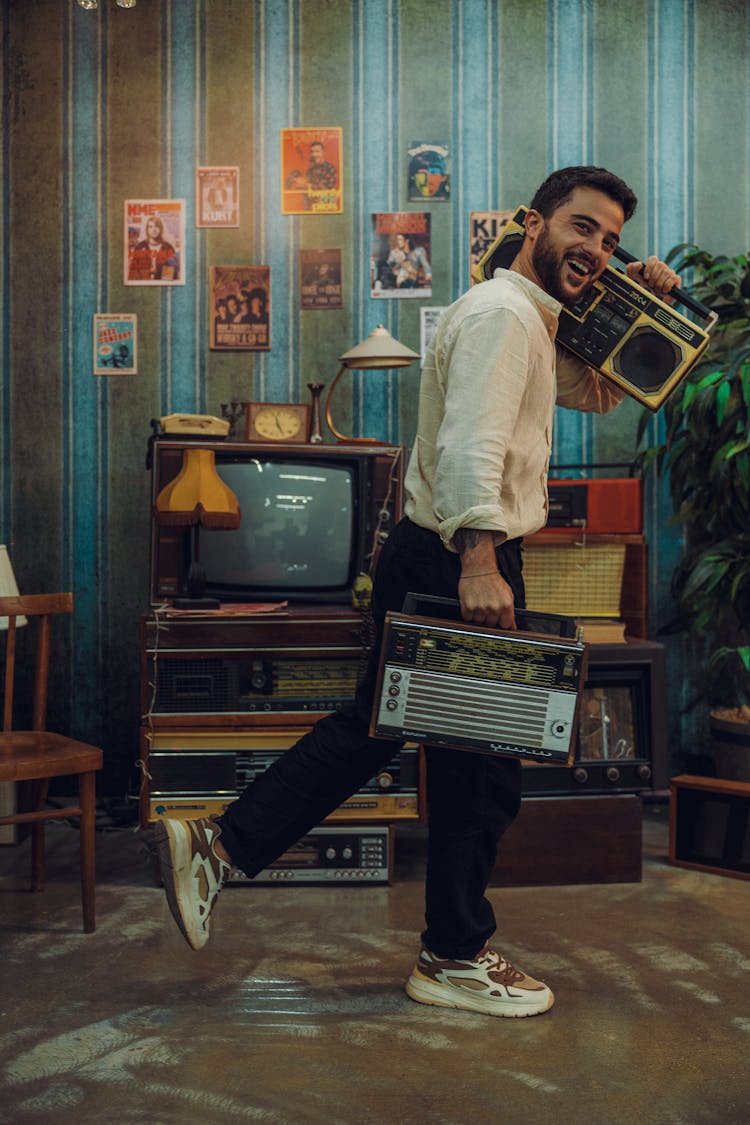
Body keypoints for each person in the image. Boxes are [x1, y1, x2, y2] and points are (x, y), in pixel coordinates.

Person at [155, 166, 679, 1019]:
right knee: (477, 775)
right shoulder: (506, 317)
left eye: (611, 240)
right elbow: (474, 441)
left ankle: (227, 849)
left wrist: (643, 301)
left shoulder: (526, 318)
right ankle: (447, 951)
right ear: (534, 223)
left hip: (445, 550)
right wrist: (480, 561)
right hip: (457, 552)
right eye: (582, 228)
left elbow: (606, 387)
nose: (595, 249)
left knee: (391, 736)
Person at [127, 215, 179, 281]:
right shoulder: (139, 247)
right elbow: (133, 273)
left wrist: (158, 271)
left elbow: (171, 277)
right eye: (150, 227)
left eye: (157, 226)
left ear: (161, 229)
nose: (154, 230)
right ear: (147, 230)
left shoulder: (168, 248)